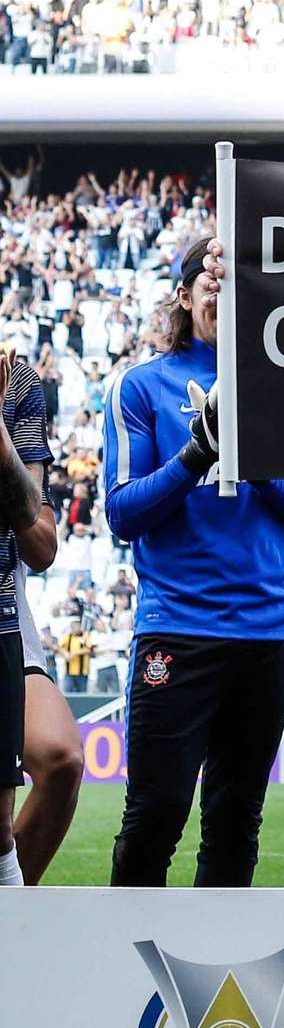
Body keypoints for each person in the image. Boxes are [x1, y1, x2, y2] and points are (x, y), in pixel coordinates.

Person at [103, 237, 284, 887]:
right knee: (155, 813)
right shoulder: (142, 385)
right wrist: (194, 459)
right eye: (211, 283)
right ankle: (126, 971)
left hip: (264, 635)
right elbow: (122, 514)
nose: (225, 296)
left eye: (237, 285)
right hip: (176, 631)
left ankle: (218, 972)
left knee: (237, 820)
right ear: (183, 295)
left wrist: (255, 461)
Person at [0, 350, 55, 889]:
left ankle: (17, 921)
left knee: (61, 757)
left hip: (5, 615)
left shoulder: (16, 381)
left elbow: (42, 545)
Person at [13, 498, 83, 884]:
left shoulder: (21, 436)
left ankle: (13, 906)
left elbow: (42, 548)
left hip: (8, 628)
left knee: (61, 758)